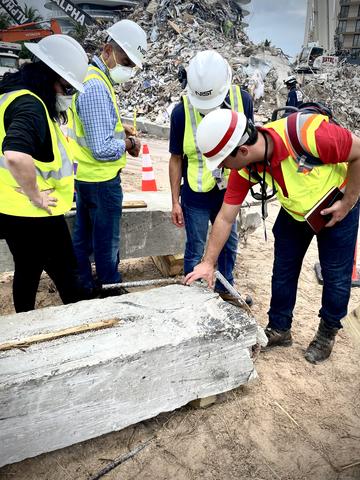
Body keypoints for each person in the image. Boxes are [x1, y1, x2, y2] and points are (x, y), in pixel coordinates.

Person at [185, 108, 360, 364]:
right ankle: (280, 328)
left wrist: (348, 202)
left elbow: (359, 152)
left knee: (336, 276)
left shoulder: (310, 134)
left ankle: (327, 332)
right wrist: (208, 263)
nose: (222, 168)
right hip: (295, 211)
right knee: (283, 270)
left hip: (337, 208)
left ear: (242, 150)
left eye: (223, 162)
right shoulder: (246, 166)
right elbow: (225, 216)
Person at [0, 35, 89, 312]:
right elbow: (15, 155)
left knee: (28, 270)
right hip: (34, 213)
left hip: (12, 209)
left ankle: (25, 320)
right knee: (66, 274)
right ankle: (83, 324)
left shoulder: (11, 94)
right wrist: (36, 195)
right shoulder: (31, 106)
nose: (67, 96)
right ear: (50, 78)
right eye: (67, 88)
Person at [67, 20, 147, 297]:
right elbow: (101, 148)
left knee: (85, 237)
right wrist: (128, 143)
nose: (128, 68)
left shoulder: (94, 78)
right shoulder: (96, 86)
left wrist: (118, 127)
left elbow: (93, 130)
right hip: (101, 181)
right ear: (107, 50)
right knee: (106, 242)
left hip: (87, 177)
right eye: (125, 60)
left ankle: (83, 287)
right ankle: (110, 289)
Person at [169, 50, 253, 301]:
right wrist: (175, 201)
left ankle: (225, 291)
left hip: (229, 189)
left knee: (229, 243)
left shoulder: (243, 100)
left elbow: (250, 147)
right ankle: (193, 299)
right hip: (195, 192)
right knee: (195, 247)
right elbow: (175, 158)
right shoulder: (181, 112)